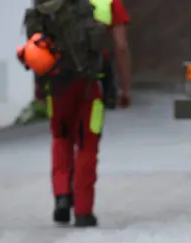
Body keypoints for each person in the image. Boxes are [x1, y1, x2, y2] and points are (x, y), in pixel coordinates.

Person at [19, 0, 131, 227]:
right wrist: (125, 88)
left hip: (56, 86)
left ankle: (61, 195)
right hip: (92, 86)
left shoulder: (48, 4)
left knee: (61, 138)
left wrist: (38, 89)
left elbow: (36, 46)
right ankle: (83, 210)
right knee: (87, 144)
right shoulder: (109, 3)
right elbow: (120, 46)